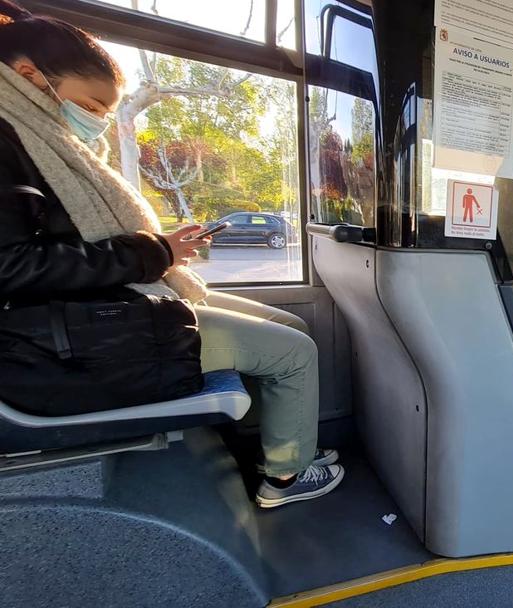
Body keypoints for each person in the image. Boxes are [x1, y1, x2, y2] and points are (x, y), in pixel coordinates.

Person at [0, 0, 341, 509]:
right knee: (296, 355)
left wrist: (162, 251)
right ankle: (284, 480)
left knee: (289, 326)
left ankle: (263, 449)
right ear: (30, 75)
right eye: (92, 107)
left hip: (108, 304)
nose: (95, 123)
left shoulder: (41, 137)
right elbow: (13, 266)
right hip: (60, 339)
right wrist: (152, 253)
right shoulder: (10, 139)